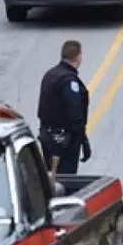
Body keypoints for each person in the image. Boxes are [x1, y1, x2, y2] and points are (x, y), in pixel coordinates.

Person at [37, 39, 91, 174]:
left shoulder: (50, 74)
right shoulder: (69, 81)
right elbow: (75, 113)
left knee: (50, 176)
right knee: (66, 179)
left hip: (47, 135)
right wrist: (83, 140)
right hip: (64, 141)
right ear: (78, 57)